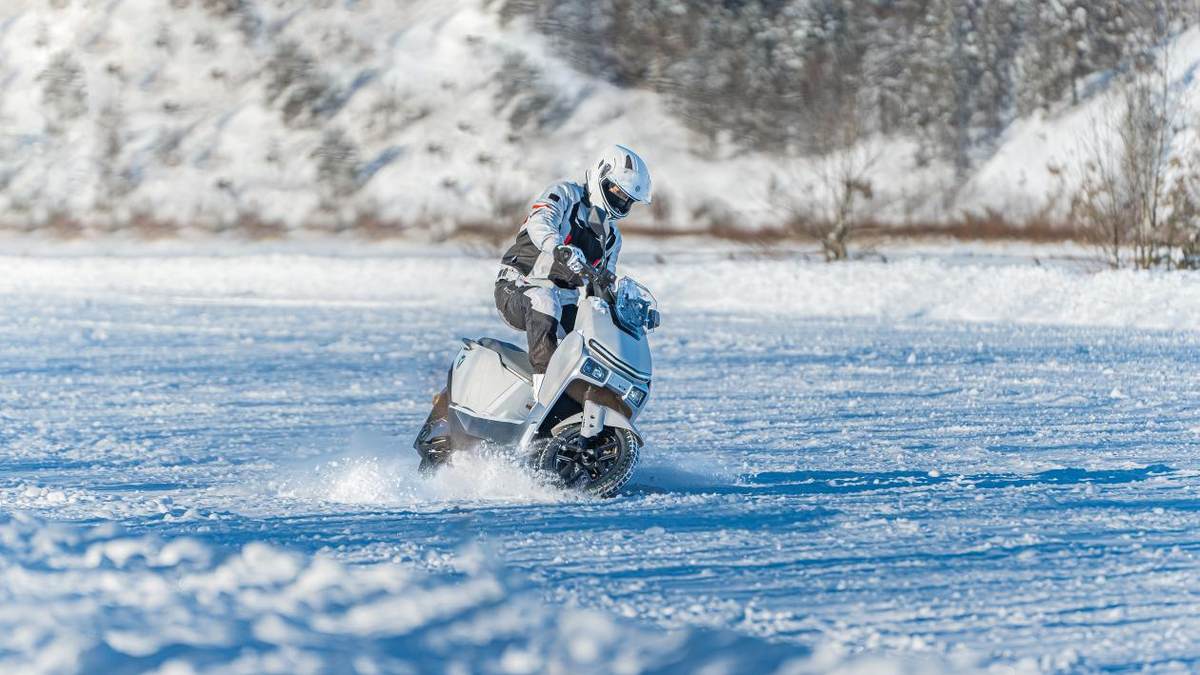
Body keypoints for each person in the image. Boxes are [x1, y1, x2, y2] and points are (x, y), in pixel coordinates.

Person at [494, 144, 652, 395]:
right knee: (544, 300)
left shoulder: (611, 238)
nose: (621, 202)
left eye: (628, 200)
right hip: (518, 286)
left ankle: (582, 404)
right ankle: (543, 396)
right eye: (617, 192)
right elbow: (539, 222)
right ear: (600, 175)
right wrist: (558, 247)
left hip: (564, 302)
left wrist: (628, 307)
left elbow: (603, 288)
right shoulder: (565, 195)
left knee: (591, 337)